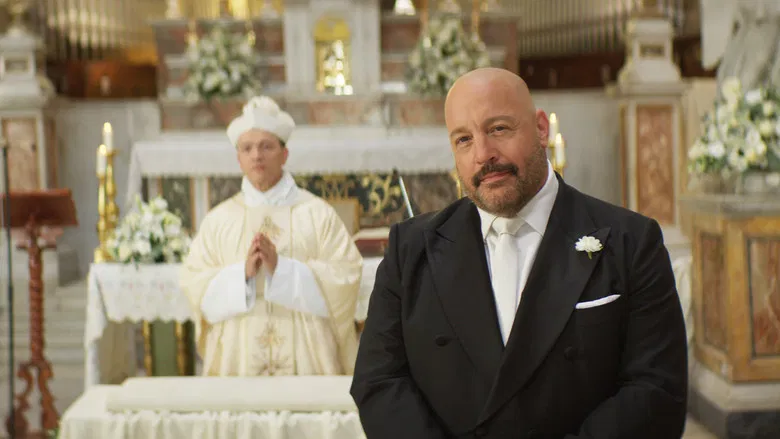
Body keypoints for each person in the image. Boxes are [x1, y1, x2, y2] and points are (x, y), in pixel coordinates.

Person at [350, 68, 688, 438]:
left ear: (541, 128)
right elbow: (379, 381)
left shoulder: (632, 241)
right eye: (464, 139)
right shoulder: (409, 248)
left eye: (498, 129)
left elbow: (656, 391)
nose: (483, 155)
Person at [181, 96, 363, 376]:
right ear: (238, 158)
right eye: (247, 148)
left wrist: (285, 271)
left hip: (308, 362)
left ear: (284, 154)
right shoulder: (219, 221)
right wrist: (240, 275)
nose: (257, 155)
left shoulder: (316, 214)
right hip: (238, 360)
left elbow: (346, 276)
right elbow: (195, 284)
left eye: (266, 146)